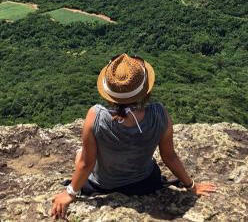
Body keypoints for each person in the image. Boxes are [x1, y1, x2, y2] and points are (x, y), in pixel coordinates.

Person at [51, 54, 217, 219]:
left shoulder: (96, 116)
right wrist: (192, 186)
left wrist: (70, 193)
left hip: (104, 185)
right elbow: (169, 156)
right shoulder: (160, 114)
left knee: (80, 153)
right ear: (145, 90)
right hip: (145, 183)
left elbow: (86, 163)